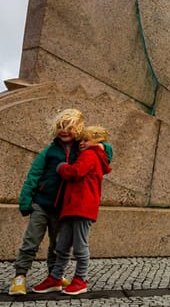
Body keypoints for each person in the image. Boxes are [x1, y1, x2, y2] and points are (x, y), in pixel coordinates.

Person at [8, 108, 85, 295]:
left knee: (57, 246)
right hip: (42, 204)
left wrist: (101, 146)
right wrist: (26, 201)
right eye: (60, 127)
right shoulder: (49, 151)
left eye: (69, 127)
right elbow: (33, 175)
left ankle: (54, 276)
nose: (64, 131)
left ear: (79, 129)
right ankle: (20, 277)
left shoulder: (82, 149)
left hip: (64, 207)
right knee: (30, 242)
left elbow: (106, 153)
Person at [32, 125, 114, 296]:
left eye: (86, 140)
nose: (81, 143)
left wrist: (61, 167)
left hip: (82, 207)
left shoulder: (90, 155)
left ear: (97, 142)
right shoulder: (91, 153)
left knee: (80, 246)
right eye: (81, 139)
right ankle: (55, 277)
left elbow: (76, 172)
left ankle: (81, 279)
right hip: (73, 207)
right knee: (62, 245)